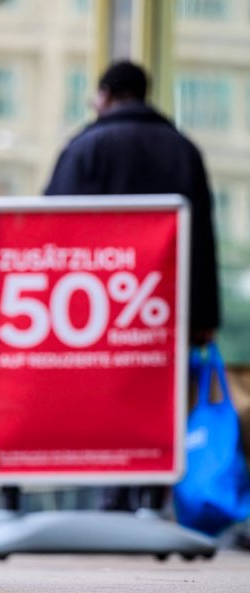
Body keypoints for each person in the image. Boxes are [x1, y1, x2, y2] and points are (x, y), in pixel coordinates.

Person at [45, 61, 222, 511]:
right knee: (159, 398)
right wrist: (204, 317)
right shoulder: (185, 150)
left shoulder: (85, 147)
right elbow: (202, 238)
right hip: (165, 307)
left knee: (106, 395)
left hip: (98, 309)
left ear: (105, 96)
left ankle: (113, 494)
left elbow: (50, 231)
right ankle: (151, 493)